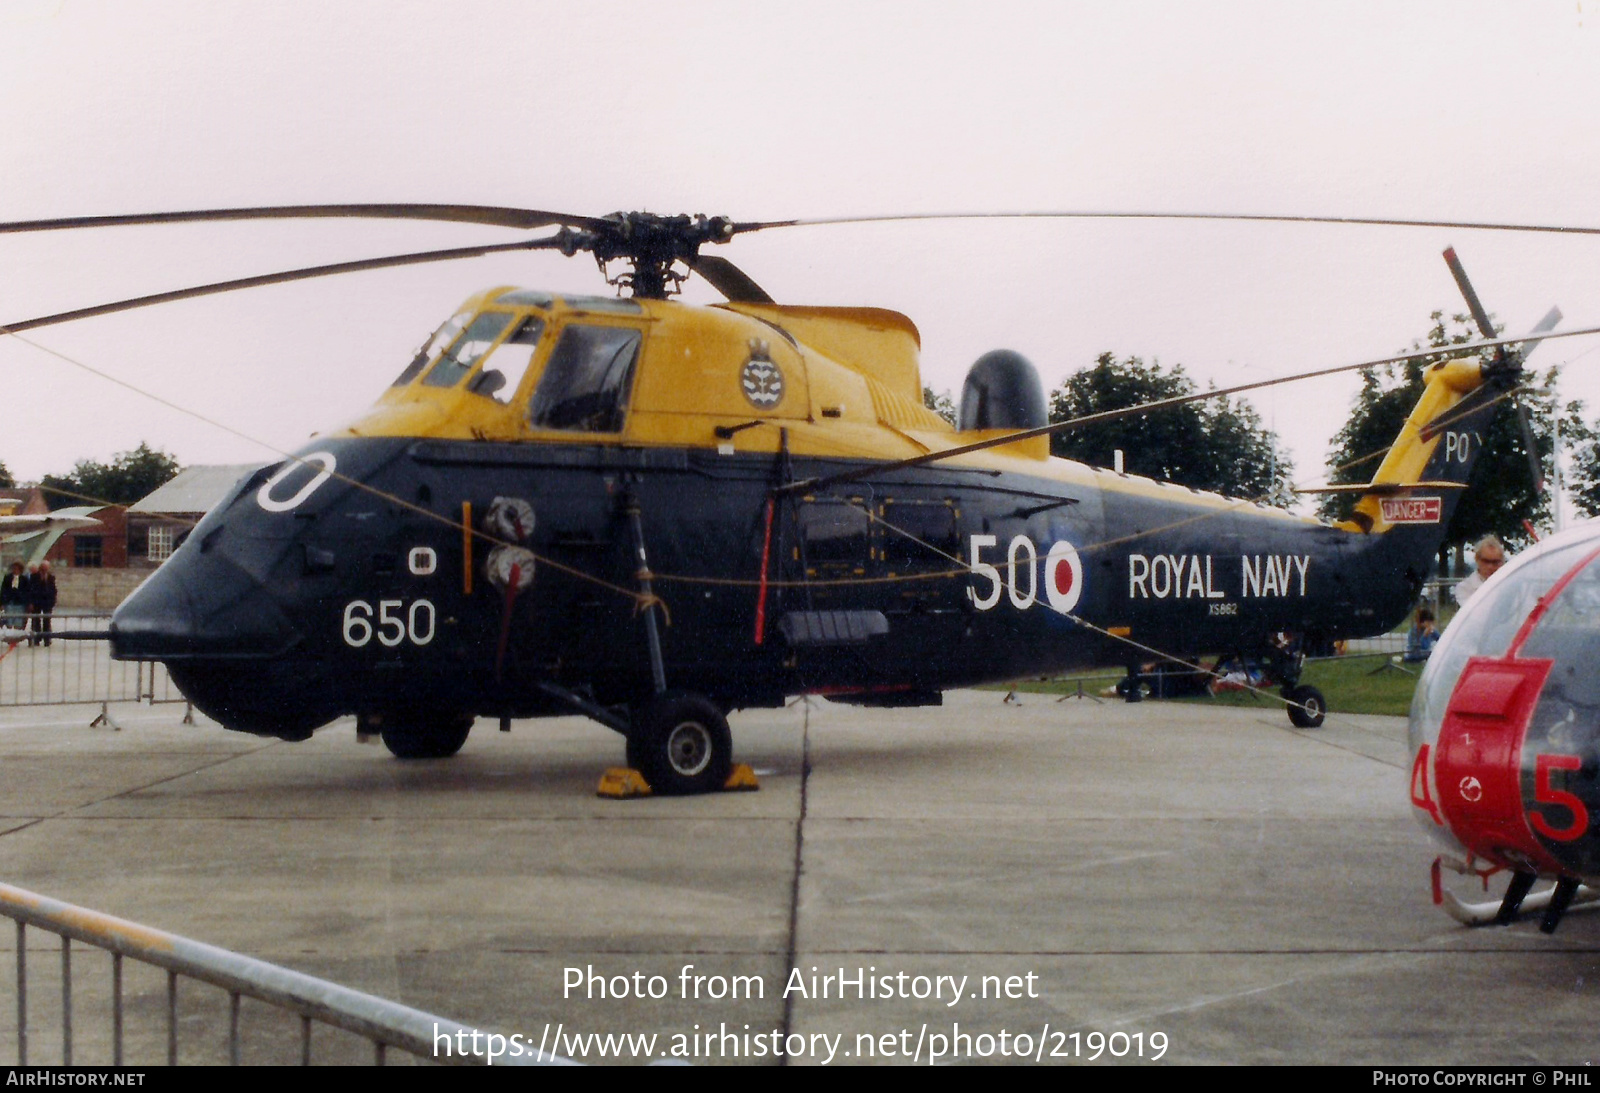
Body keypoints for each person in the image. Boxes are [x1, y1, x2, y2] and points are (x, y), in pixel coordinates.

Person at [1452, 534, 1508, 606]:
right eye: (1486, 561)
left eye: (1495, 562)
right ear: (1477, 559)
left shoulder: (1510, 584)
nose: (1490, 567)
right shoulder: (1464, 587)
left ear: (1502, 562)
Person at [26, 561, 56, 648]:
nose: (44, 570)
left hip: (47, 602)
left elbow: (53, 590)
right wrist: (30, 602)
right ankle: (36, 638)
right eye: (43, 568)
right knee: (36, 620)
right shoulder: (34, 577)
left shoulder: (51, 577)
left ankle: (47, 639)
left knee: (47, 620)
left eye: (46, 568)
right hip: (36, 601)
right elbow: (30, 590)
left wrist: (53, 601)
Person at [0, 562, 26, 635]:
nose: (15, 570)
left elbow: (27, 591)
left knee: (18, 622)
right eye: (14, 568)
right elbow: (3, 590)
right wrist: (1, 603)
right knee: (9, 621)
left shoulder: (24, 579)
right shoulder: (7, 578)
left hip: (19, 603)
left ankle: (16, 638)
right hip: (9, 602)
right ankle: (9, 637)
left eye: (17, 569)